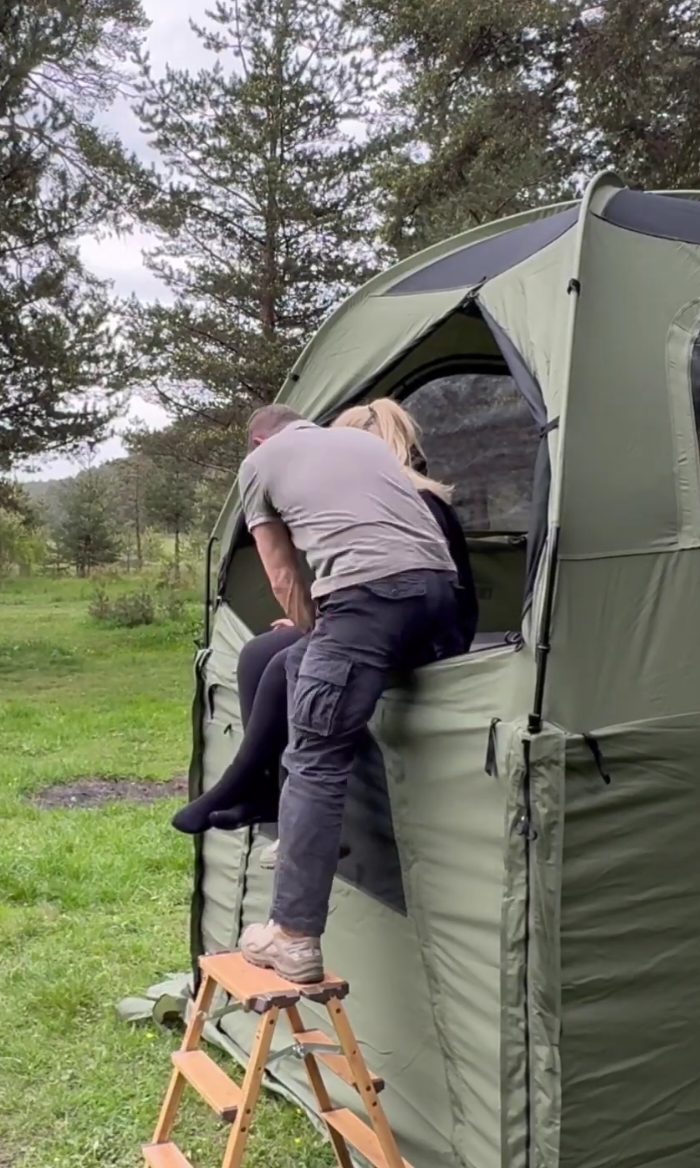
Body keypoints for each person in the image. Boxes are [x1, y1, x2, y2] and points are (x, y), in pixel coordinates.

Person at [230, 401, 469, 983]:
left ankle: (292, 935)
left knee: (313, 757)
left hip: (367, 603)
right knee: (303, 667)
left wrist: (319, 629)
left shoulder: (259, 466)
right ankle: (305, 840)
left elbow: (283, 573)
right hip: (442, 601)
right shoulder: (364, 448)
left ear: (260, 441)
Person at [171, 399, 478, 846]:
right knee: (261, 652)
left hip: (424, 632)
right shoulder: (361, 500)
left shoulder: (417, 502)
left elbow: (415, 594)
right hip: (370, 620)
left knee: (287, 667)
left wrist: (319, 633)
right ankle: (269, 788)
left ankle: (262, 789)